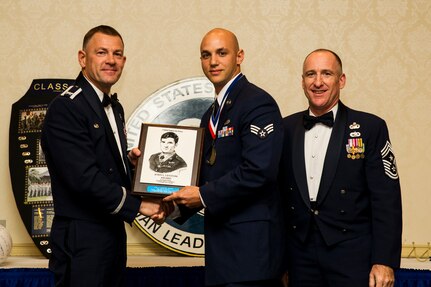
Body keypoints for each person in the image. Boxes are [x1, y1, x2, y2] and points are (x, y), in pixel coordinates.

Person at [41, 25, 168, 287]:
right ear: (82, 58)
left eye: (117, 53)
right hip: (82, 235)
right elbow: (83, 178)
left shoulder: (114, 107)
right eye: (101, 52)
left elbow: (105, 167)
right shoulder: (66, 107)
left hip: (110, 232)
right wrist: (140, 205)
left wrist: (133, 167)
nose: (111, 60)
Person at [163, 28, 286, 287]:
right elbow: (206, 175)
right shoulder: (211, 113)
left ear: (239, 56)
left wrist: (203, 195)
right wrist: (169, 206)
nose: (213, 62)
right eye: (206, 55)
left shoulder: (257, 103)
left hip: (251, 255)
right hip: (222, 253)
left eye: (222, 53)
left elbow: (259, 171)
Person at [279, 49, 402, 287]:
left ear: (341, 80)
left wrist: (384, 261)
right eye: (310, 74)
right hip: (299, 258)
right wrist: (279, 261)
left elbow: (386, 199)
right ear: (302, 81)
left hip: (353, 256)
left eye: (327, 74)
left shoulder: (370, 127)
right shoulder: (285, 128)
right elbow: (278, 199)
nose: (317, 82)